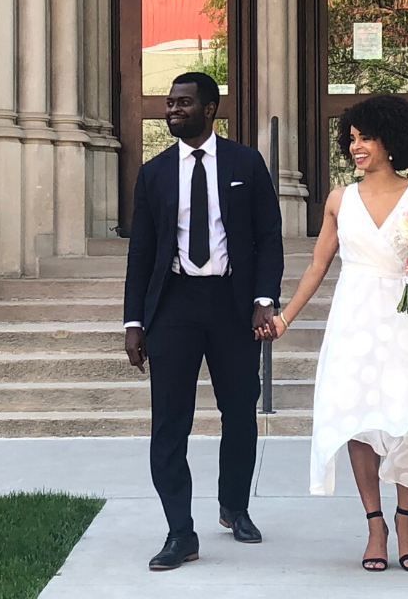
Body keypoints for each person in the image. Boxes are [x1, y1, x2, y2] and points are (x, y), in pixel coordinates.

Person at [272, 94, 408, 573]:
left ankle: (406, 518)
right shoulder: (339, 199)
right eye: (353, 138)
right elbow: (318, 265)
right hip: (353, 320)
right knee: (357, 419)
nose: (357, 147)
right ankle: (375, 524)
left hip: (401, 318)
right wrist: (284, 318)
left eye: (367, 138)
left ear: (391, 140)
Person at [123, 72, 284, 571]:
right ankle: (180, 532)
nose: (172, 110)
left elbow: (269, 235)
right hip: (174, 304)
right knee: (170, 421)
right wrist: (133, 322)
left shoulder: (245, 163)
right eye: (170, 103)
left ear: (210, 108)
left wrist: (264, 299)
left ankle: (235, 506)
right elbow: (140, 253)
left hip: (232, 303)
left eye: (184, 103)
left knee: (239, 411)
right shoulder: (154, 173)